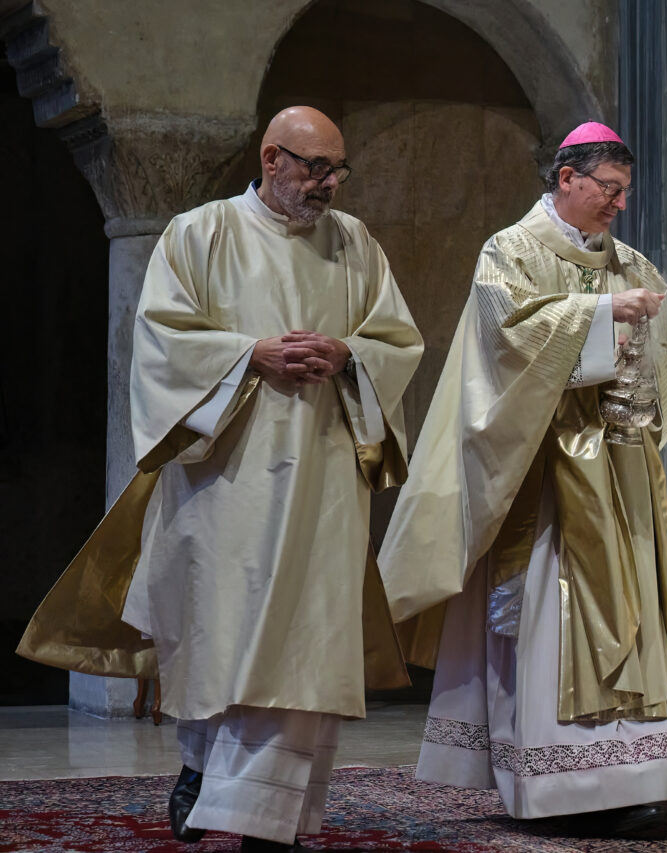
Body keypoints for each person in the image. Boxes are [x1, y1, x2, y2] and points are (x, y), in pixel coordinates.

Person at [18, 106, 423, 852]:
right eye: (314, 167)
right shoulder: (199, 233)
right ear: (271, 158)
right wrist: (249, 355)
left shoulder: (354, 242)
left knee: (304, 644)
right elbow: (163, 341)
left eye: (338, 169)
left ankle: (263, 817)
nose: (329, 184)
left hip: (326, 477)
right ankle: (202, 765)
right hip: (228, 479)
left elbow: (397, 338)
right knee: (222, 637)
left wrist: (349, 354)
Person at [378, 121, 667, 836]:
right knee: (553, 613)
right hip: (543, 475)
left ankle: (634, 773)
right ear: (567, 178)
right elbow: (506, 343)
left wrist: (645, 354)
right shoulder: (508, 251)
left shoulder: (631, 262)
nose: (618, 205)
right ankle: (559, 784)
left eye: (625, 192)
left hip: (618, 470)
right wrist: (605, 313)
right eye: (608, 190)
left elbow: (659, 356)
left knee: (628, 607)